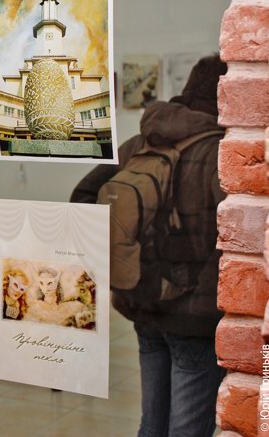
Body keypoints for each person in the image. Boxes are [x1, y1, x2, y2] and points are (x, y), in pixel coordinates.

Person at [70, 55, 227, 436]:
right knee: (187, 429)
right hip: (196, 319)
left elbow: (81, 199)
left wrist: (131, 259)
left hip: (142, 302)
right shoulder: (222, 153)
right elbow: (235, 237)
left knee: (152, 423)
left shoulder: (140, 143)